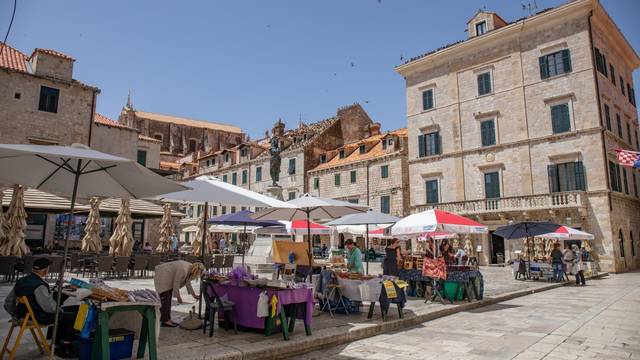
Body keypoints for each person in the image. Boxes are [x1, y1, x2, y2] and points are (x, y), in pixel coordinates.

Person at [3, 258, 78, 358]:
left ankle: (57, 343)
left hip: (25, 315)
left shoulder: (21, 281)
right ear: (45, 270)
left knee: (64, 312)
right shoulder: (39, 285)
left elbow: (8, 302)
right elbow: (50, 308)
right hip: (38, 317)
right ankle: (64, 348)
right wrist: (60, 309)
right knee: (72, 316)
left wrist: (16, 315)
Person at [153, 260, 204, 327]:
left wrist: (194, 295)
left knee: (168, 298)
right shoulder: (183, 269)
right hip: (163, 275)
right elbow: (176, 283)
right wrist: (178, 297)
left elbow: (188, 283)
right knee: (165, 298)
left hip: (168, 276)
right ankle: (165, 320)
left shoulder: (190, 268)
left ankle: (167, 319)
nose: (196, 276)